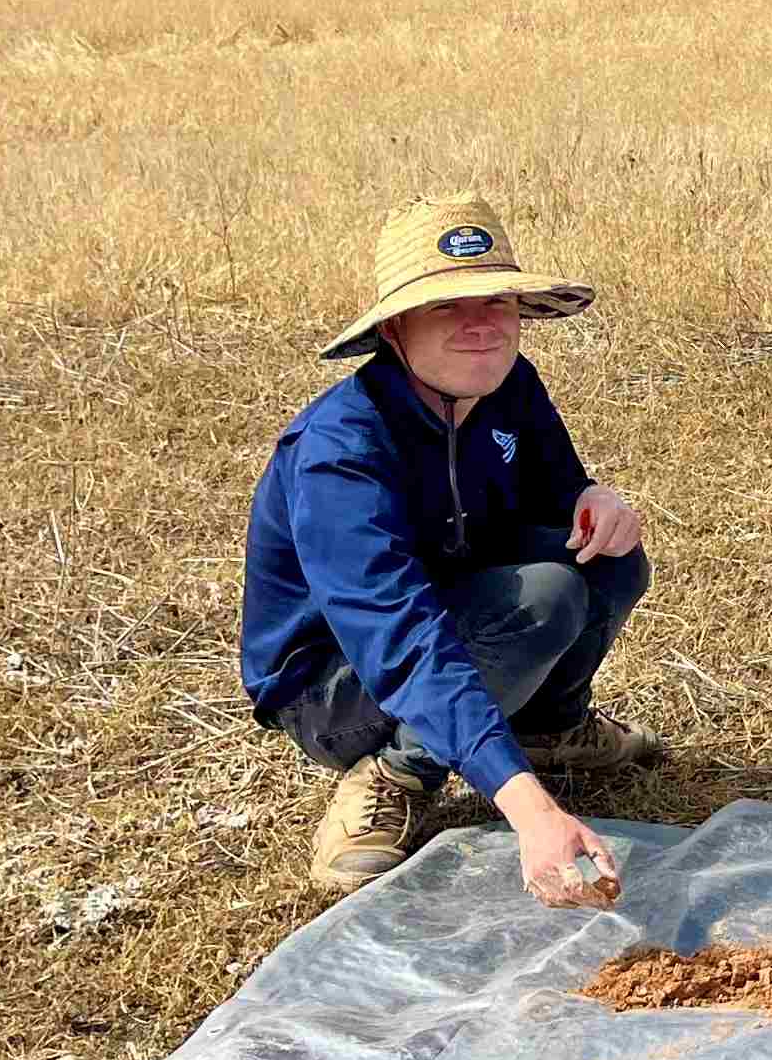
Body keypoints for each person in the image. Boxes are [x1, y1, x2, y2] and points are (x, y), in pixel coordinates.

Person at [240, 193, 664, 908]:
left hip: (454, 606)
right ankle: (393, 775)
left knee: (608, 555)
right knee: (545, 599)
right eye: (446, 307)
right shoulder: (340, 453)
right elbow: (398, 634)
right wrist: (530, 811)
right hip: (336, 684)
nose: (479, 326)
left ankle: (548, 728)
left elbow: (557, 491)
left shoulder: (509, 385)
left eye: (496, 300)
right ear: (396, 327)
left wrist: (595, 499)